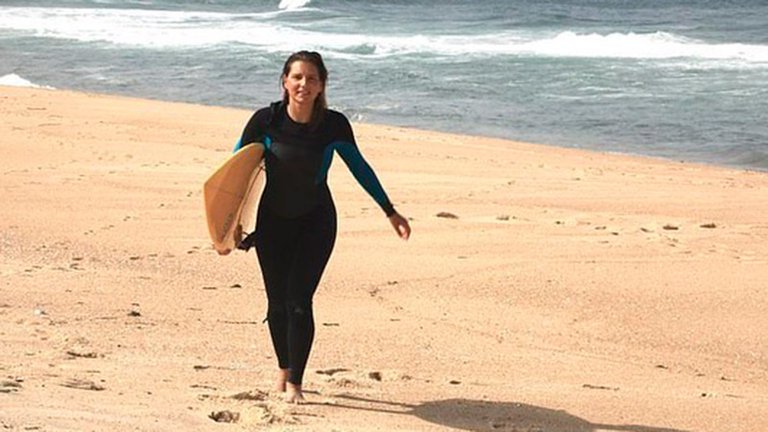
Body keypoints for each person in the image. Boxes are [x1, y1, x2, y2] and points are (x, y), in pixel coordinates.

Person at [233, 51, 411, 403]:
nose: (304, 84)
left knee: (299, 301)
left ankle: (295, 383)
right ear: (285, 81)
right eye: (297, 77)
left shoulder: (333, 125)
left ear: (321, 86)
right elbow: (236, 170)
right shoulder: (265, 121)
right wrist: (229, 226)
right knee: (276, 305)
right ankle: (283, 371)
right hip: (273, 222)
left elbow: (360, 167)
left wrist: (390, 211)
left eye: (311, 78)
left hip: (316, 221)